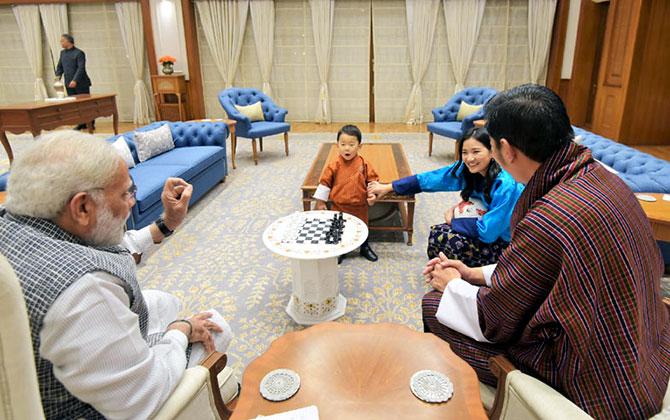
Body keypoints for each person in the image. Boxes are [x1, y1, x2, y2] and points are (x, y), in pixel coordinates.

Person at [421, 84, 670, 418]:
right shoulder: (604, 179)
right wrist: (473, 274)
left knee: (434, 306)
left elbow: (493, 320)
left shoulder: (547, 216)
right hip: (647, 351)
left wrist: (452, 284)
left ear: (506, 150)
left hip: (600, 387)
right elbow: (545, 266)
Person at [0, 131, 233, 419]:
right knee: (215, 326)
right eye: (126, 193)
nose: (133, 201)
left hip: (73, 363)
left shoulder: (20, 223)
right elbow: (144, 395)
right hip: (115, 404)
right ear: (83, 207)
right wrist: (181, 330)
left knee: (162, 302)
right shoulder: (86, 292)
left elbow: (113, 249)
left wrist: (166, 224)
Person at [368, 127, 524, 266]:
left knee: (450, 240)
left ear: (491, 152)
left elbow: (488, 232)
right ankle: (446, 270)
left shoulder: (506, 185)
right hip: (481, 219)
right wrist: (388, 187)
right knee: (437, 233)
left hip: (505, 243)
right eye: (465, 152)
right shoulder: (467, 169)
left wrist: (453, 219)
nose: (469, 158)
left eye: (476, 152)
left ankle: (461, 276)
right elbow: (430, 179)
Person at [313, 124, 379, 262]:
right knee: (338, 228)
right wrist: (320, 202)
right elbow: (324, 183)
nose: (347, 148)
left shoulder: (364, 164)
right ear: (337, 145)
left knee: (362, 228)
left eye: (351, 144)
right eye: (343, 144)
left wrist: (373, 195)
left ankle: (364, 247)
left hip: (359, 206)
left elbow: (372, 181)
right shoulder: (334, 165)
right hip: (339, 206)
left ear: (359, 146)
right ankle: (340, 249)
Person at [55, 33, 93, 130]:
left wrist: (75, 80)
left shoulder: (79, 53)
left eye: (62, 41)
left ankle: (90, 122)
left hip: (81, 83)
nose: (61, 43)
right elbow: (60, 66)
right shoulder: (62, 53)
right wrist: (57, 76)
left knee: (85, 104)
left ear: (68, 41)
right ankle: (81, 123)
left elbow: (81, 68)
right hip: (68, 83)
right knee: (74, 105)